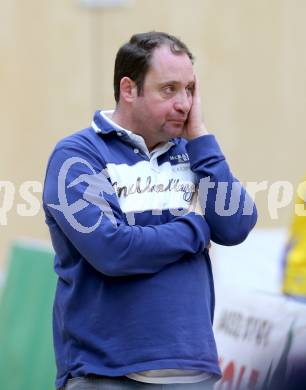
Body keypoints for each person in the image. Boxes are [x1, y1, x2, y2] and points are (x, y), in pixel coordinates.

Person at [43, 31, 257, 390]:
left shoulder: (194, 152)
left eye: (189, 89)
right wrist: (196, 229)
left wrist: (201, 135)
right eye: (168, 89)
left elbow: (235, 226)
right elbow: (113, 250)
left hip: (193, 370)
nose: (184, 103)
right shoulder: (77, 156)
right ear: (129, 89)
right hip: (106, 373)